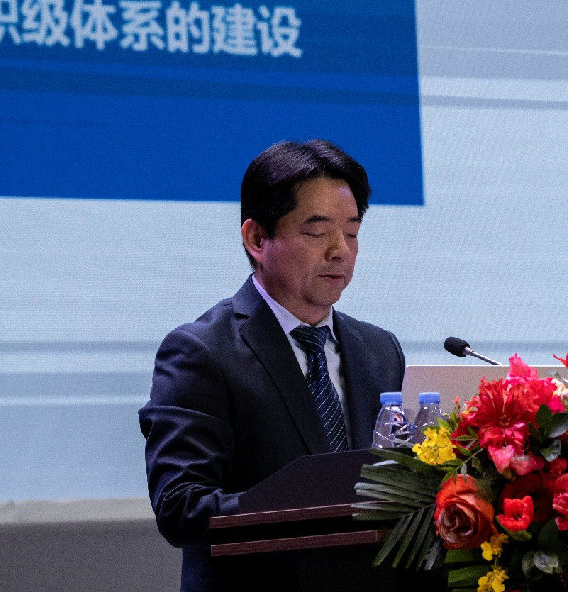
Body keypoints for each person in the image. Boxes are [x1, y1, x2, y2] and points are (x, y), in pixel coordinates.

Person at [139, 139, 405, 591]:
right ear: (257, 239)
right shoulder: (201, 352)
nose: (340, 251)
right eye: (317, 232)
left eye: (352, 232)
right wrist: (309, 500)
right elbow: (181, 508)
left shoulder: (380, 350)